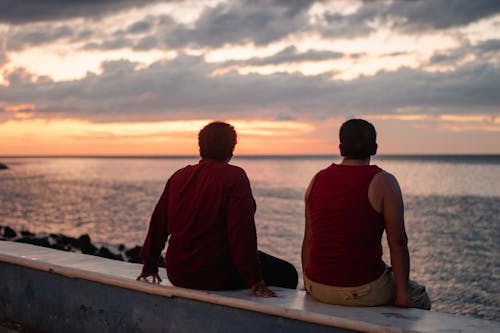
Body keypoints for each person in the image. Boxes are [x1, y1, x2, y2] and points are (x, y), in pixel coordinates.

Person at [137, 121, 298, 297]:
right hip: (216, 275)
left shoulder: (178, 176)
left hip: (178, 273)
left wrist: (150, 265)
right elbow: (241, 232)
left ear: (200, 147)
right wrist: (255, 278)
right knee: (289, 273)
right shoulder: (234, 176)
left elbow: (158, 223)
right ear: (231, 149)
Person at [302, 119, 430, 309]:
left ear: (340, 148)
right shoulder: (385, 182)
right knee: (420, 295)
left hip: (316, 285)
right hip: (361, 289)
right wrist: (402, 297)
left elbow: (309, 240)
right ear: (375, 148)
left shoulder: (317, 180)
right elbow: (398, 243)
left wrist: (309, 284)